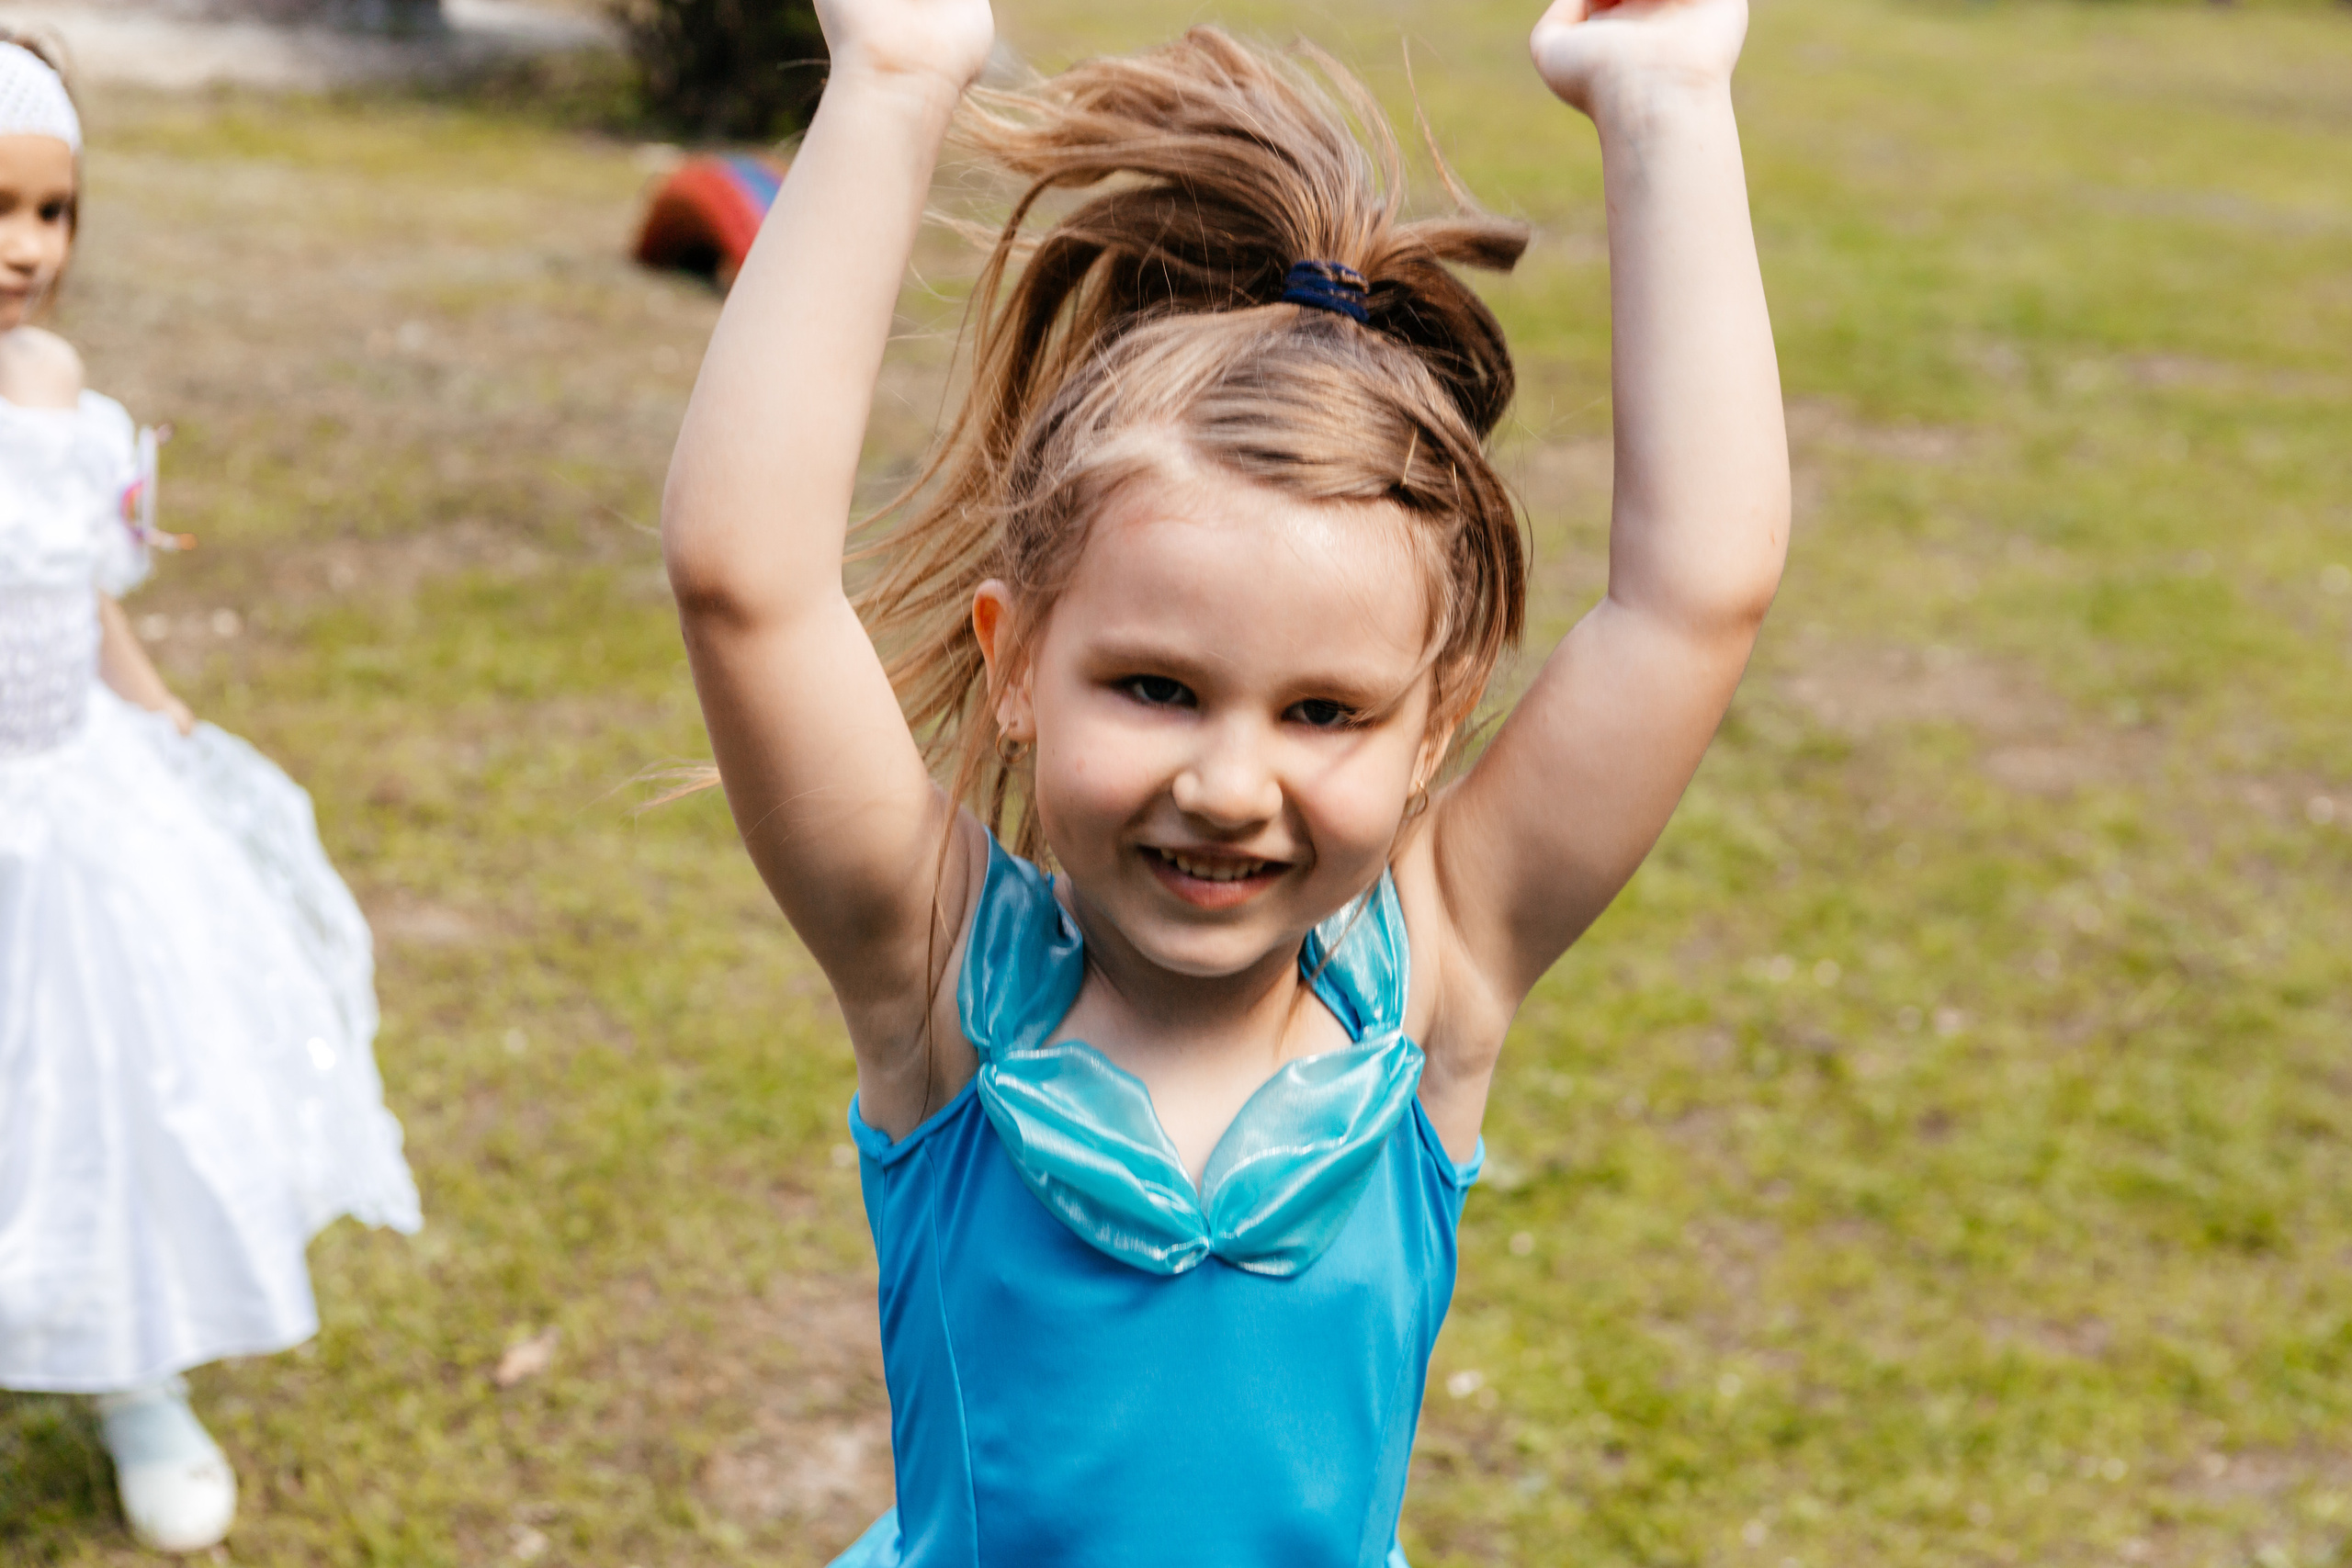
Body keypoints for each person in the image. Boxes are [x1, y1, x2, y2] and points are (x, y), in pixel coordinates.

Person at [662, 0, 1786, 1557]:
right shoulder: (937, 982)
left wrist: (1665, 102)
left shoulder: (1437, 972)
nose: (1230, 782)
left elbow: (1692, 601)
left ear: (1437, 720)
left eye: (1325, 712)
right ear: (1015, 662)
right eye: (1155, 687)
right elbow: (749, 581)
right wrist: (897, 76)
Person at [0, 33, 421, 1555]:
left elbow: (76, 593)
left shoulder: (58, 394)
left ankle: (128, 1368)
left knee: (105, 1089)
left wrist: (161, 717)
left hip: (74, 800)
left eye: (53, 213)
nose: (26, 249)